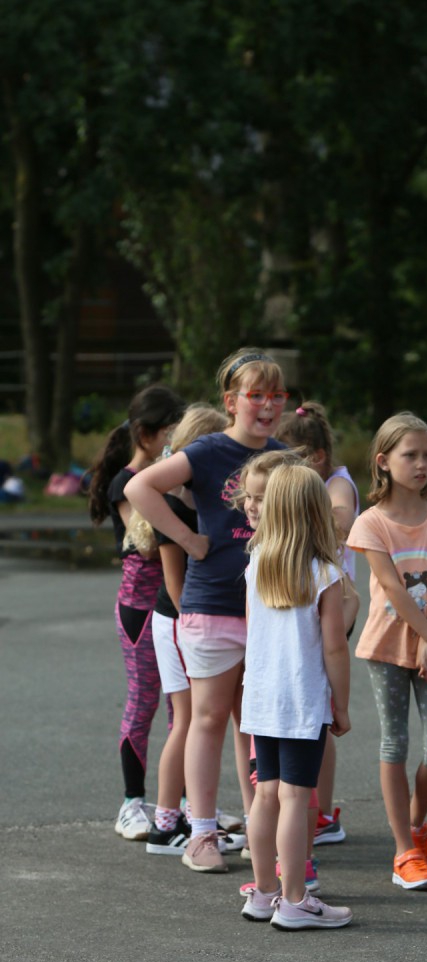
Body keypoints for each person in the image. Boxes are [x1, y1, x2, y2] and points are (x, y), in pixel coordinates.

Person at [125, 348, 289, 873]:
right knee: (209, 718)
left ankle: (258, 829)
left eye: (276, 395)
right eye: (256, 395)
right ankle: (200, 835)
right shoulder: (207, 451)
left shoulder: (285, 459)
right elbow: (138, 486)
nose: (268, 405)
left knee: (255, 726)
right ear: (231, 401)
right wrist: (188, 539)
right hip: (211, 607)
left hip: (268, 611)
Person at [347, 412, 427, 889]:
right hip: (388, 644)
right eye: (410, 455)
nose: (422, 464)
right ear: (384, 461)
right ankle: (404, 852)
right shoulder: (371, 523)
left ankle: (416, 825)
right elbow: (393, 588)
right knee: (394, 743)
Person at [238, 463, 353, 930]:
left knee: (265, 794)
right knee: (294, 798)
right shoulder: (324, 574)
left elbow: (253, 633)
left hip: (261, 697)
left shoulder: (256, 566)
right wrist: (341, 705)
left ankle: (264, 892)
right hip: (302, 701)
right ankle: (294, 899)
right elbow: (334, 647)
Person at [123, 404, 240, 855]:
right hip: (178, 620)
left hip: (184, 621)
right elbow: (175, 584)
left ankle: (184, 817)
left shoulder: (198, 501)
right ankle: (166, 825)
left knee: (190, 721)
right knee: (187, 720)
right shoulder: (175, 505)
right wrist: (194, 624)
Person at [87, 383, 185, 839]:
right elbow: (147, 542)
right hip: (140, 609)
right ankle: (131, 803)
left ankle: (183, 802)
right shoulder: (126, 483)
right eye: (169, 432)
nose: (175, 441)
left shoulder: (171, 475)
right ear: (146, 434)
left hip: (176, 604)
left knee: (181, 709)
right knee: (144, 702)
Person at [276, 400, 360, 845]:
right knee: (307, 711)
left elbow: (341, 517)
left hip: (331, 602)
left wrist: (297, 512)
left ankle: (322, 812)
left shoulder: (337, 483)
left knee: (319, 716)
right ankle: (306, 805)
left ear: (316, 457)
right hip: (304, 601)